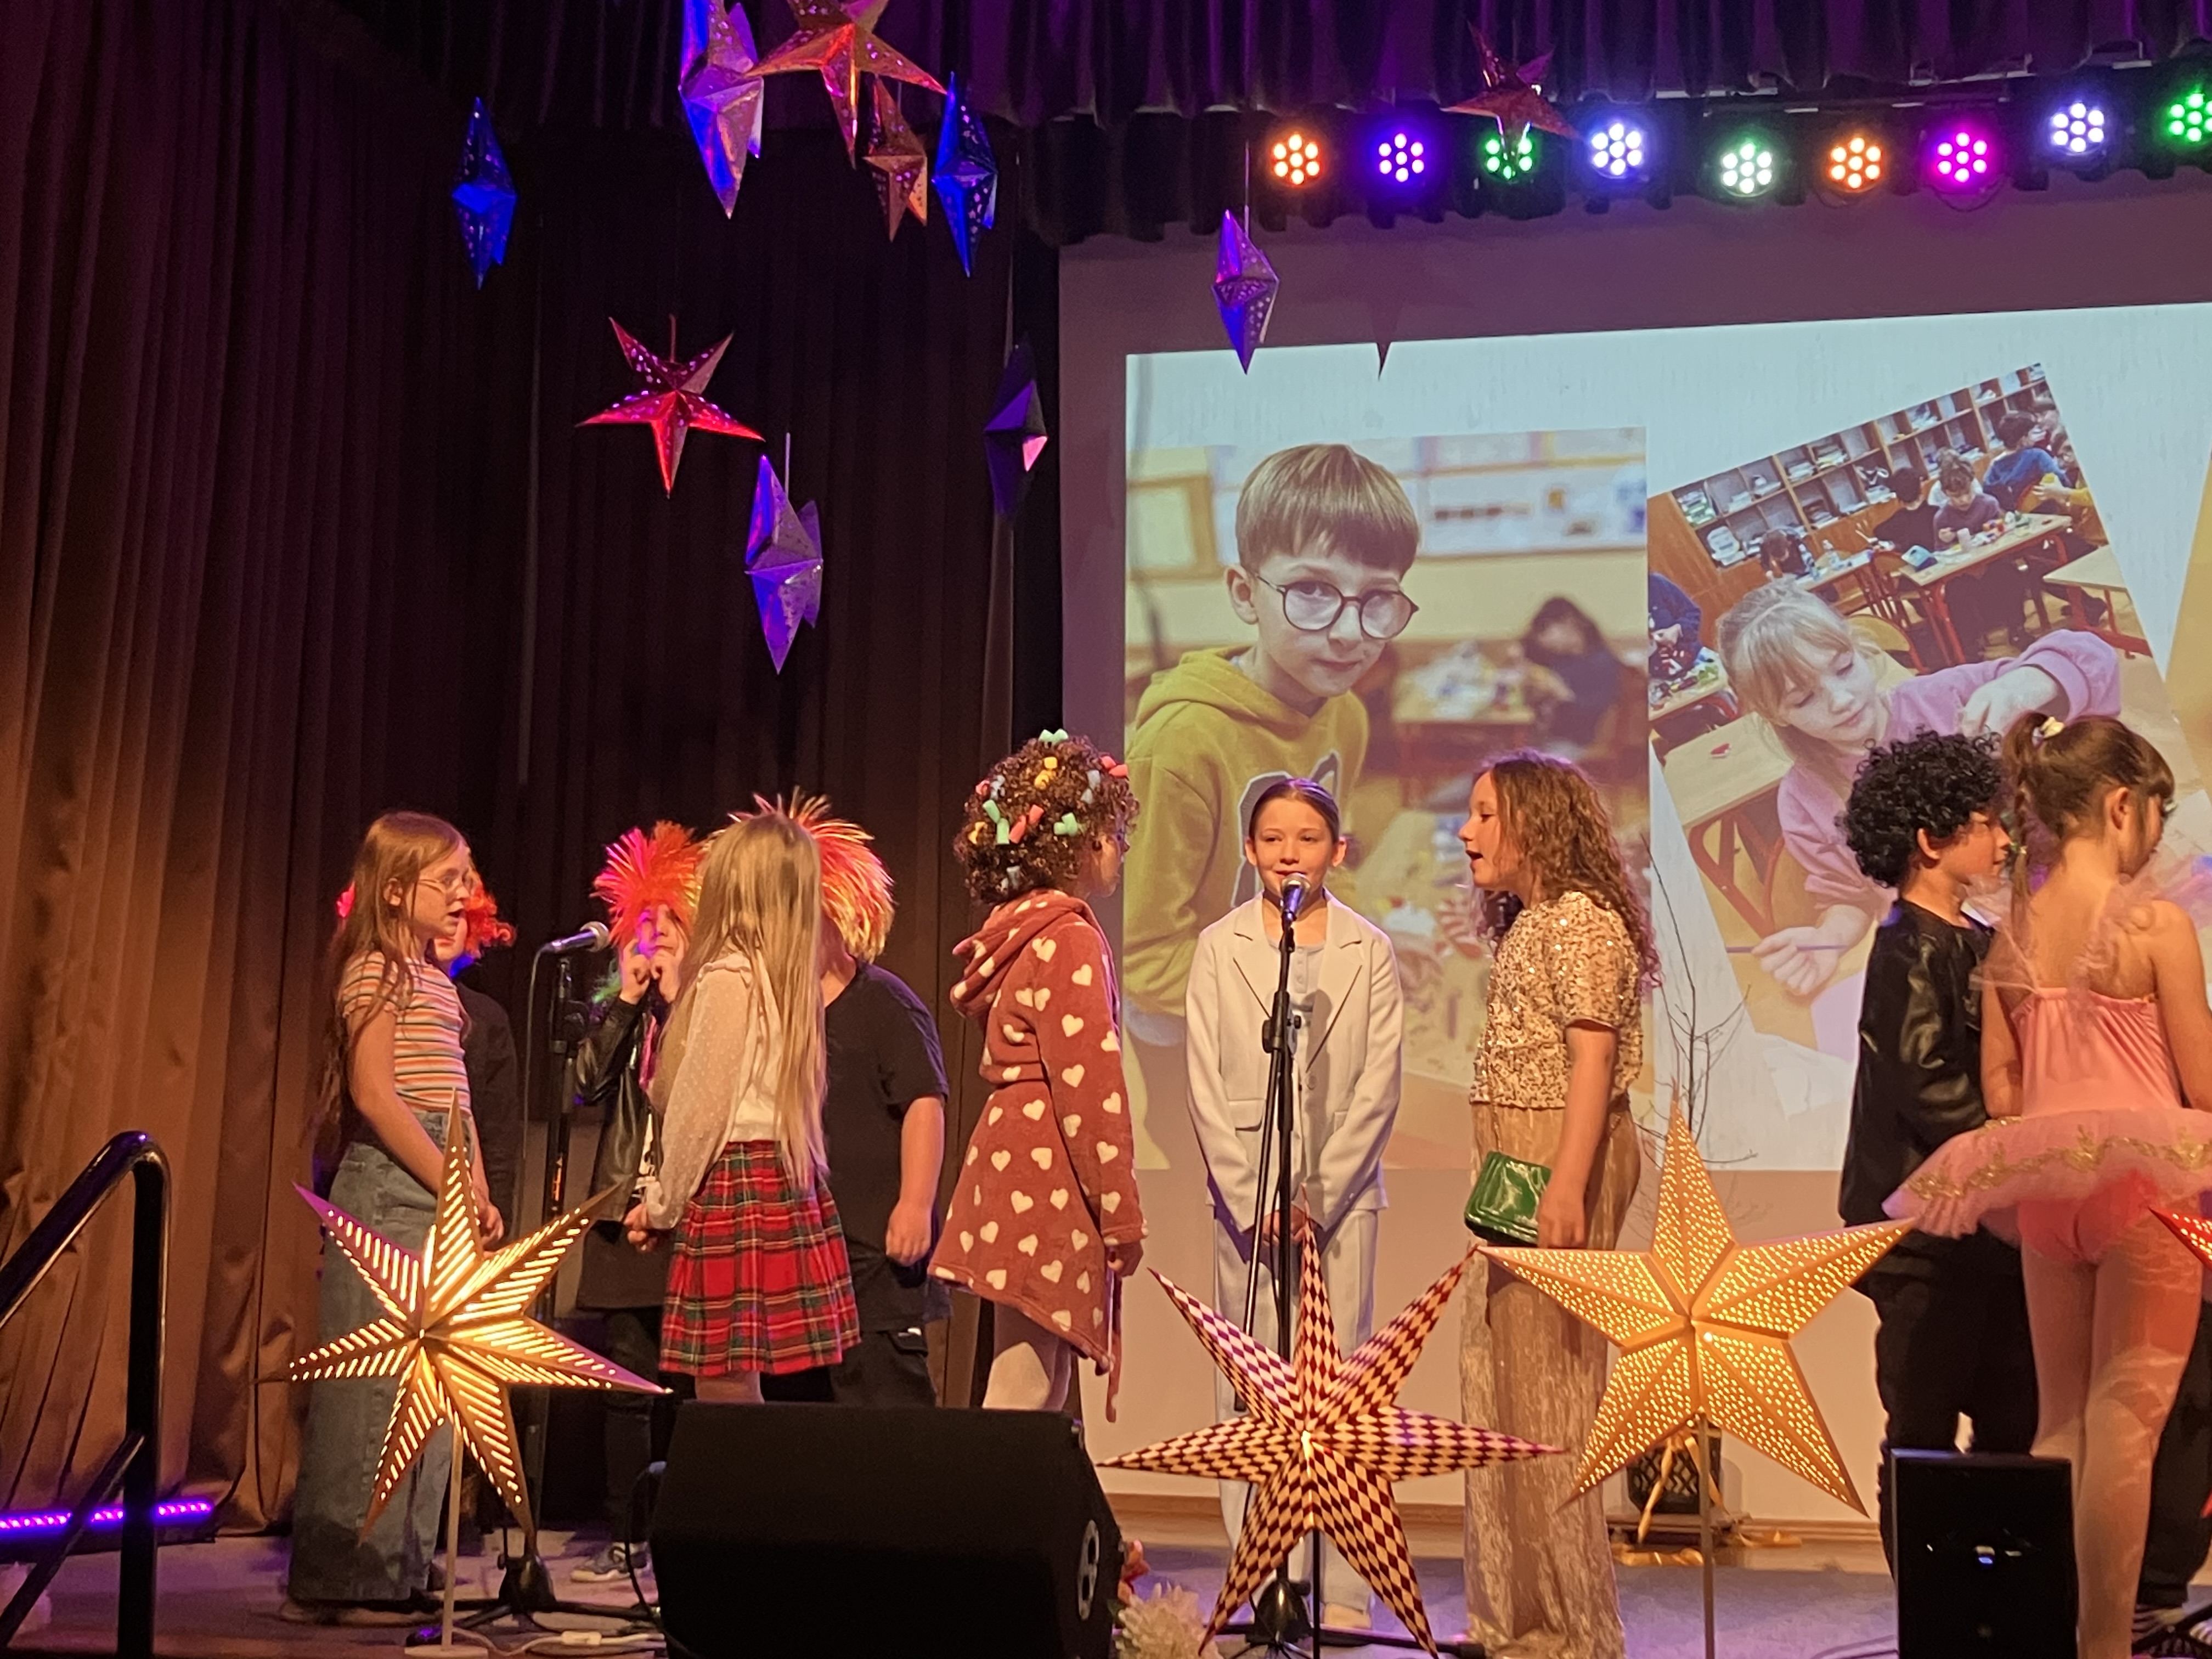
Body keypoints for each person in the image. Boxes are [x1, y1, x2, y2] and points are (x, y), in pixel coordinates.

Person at [1888, 715, 2212, 1659]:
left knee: (2062, 1419)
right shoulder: (2154, 924)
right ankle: (2104, 1645)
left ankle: (2051, 1637)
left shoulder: (2014, 937)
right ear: (2121, 806)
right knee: (2127, 1422)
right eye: (2155, 815)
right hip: (2144, 1185)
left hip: (2045, 1192)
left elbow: (2002, 1092)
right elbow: (2201, 1083)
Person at [1124, 444, 1419, 1173]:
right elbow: (1141, 957)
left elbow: (1325, 868)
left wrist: (1361, 946)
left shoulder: (1346, 714)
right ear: (1245, 593)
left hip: (1286, 1010)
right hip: (1192, 1036)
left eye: (1378, 598)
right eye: (1312, 590)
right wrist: (1302, 983)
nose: (1349, 631)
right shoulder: (1181, 743)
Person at [1714, 580, 2116, 1049]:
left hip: (2074, 907)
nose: (1841, 699)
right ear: (1775, 714)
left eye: (1844, 668)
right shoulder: (1805, 801)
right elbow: (1850, 895)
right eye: (1804, 699)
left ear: (1861, 649)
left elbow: (2093, 659)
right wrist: (1828, 941)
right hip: (1974, 965)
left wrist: (2022, 686)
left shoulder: (1948, 701)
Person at [1185, 778, 1402, 1631]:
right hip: (1245, 1198)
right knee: (1250, 1387)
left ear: (1336, 851)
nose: (1288, 854)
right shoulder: (1221, 947)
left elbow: (1379, 1085)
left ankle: (1343, 1586)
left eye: (1307, 838)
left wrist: (1318, 1194)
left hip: (1341, 1201)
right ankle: (1259, 1572)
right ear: (1249, 851)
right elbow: (1204, 1082)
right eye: (1272, 838)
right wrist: (1253, 1197)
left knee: (1343, 1388)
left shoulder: (1369, 949)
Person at [1457, 752, 1655, 1659]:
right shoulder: (1532, 922)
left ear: (1535, 823)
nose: (1467, 832)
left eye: (1485, 813)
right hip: (1515, 1154)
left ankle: (1573, 1625)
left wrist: (1568, 1182)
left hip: (1554, 1155)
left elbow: (1592, 1059)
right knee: (1501, 1377)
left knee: (1551, 1389)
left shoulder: (1579, 922)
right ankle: (1514, 1615)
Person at [286, 813, 503, 1625]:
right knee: (374, 1387)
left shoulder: (436, 980)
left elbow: (456, 1102)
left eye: (465, 877)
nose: (462, 893)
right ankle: (346, 1575)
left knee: (431, 1386)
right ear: (396, 890)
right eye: (448, 879)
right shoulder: (374, 969)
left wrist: (477, 1190)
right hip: (390, 1188)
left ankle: (401, 1565)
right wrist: (449, 1180)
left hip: (440, 1185)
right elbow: (377, 1094)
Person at [1835, 731, 2037, 1568]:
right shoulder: (1908, 947)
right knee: (1921, 1421)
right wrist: (2014, 1144)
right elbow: (1923, 1079)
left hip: (1988, 1228)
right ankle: (1932, 1598)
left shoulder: (1978, 936)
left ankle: (1996, 1595)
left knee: (2013, 1414)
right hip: (1923, 1236)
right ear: (1930, 838)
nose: (2004, 841)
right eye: (1987, 824)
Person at [932, 732, 1148, 1412]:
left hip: (1014, 1158)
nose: (1122, 848)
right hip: (1047, 1167)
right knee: (1025, 1382)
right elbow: (1090, 1087)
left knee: (1038, 1376)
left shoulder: (1019, 931)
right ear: (1080, 842)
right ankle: (987, 1489)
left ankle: (1014, 1487)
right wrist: (1121, 1214)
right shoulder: (1069, 938)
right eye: (1114, 833)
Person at [623, 810, 859, 1402]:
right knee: (738, 1387)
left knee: (723, 1388)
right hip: (779, 1176)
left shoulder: (730, 977)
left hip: (735, 1182)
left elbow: (699, 1112)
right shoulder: (788, 984)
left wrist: (662, 1205)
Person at [755, 794, 951, 1408]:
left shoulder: (884, 1004)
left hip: (875, 1260)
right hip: (801, 1264)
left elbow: (924, 1103)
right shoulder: (775, 1017)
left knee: (886, 1412)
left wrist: (915, 1204)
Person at [568, 822, 702, 1586]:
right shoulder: (623, 1014)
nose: (655, 941)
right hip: (625, 1217)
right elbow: (585, 1085)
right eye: (643, 929)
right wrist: (624, 1000)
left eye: (668, 925)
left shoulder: (708, 1008)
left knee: (687, 1387)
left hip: (686, 1216)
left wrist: (678, 999)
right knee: (626, 1383)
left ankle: (682, 1529)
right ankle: (625, 1534)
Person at [1521, 596, 1627, 755]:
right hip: (1553, 738)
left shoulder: (1603, 661)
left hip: (1580, 743)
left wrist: (1563, 694)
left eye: (1545, 631)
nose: (1543, 641)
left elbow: (1599, 711)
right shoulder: (1564, 660)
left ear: (1568, 623)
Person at [1983, 411, 2068, 513]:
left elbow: (1989, 495)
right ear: (2023, 439)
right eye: (2032, 434)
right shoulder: (2037, 456)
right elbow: (2062, 480)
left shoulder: (1994, 466)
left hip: (2015, 516)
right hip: (2047, 510)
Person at [1932, 453, 2002, 545]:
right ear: (1945, 492)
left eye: (1968, 492)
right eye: (1957, 496)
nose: (1964, 500)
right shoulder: (1942, 519)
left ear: (1972, 483)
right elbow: (1941, 552)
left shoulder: (1989, 504)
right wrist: (1945, 541)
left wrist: (1998, 528)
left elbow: (2005, 532)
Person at [1647, 571, 1702, 682]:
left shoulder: (1656, 583)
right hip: (1655, 681)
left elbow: (1693, 613)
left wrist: (1677, 629)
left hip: (1696, 664)